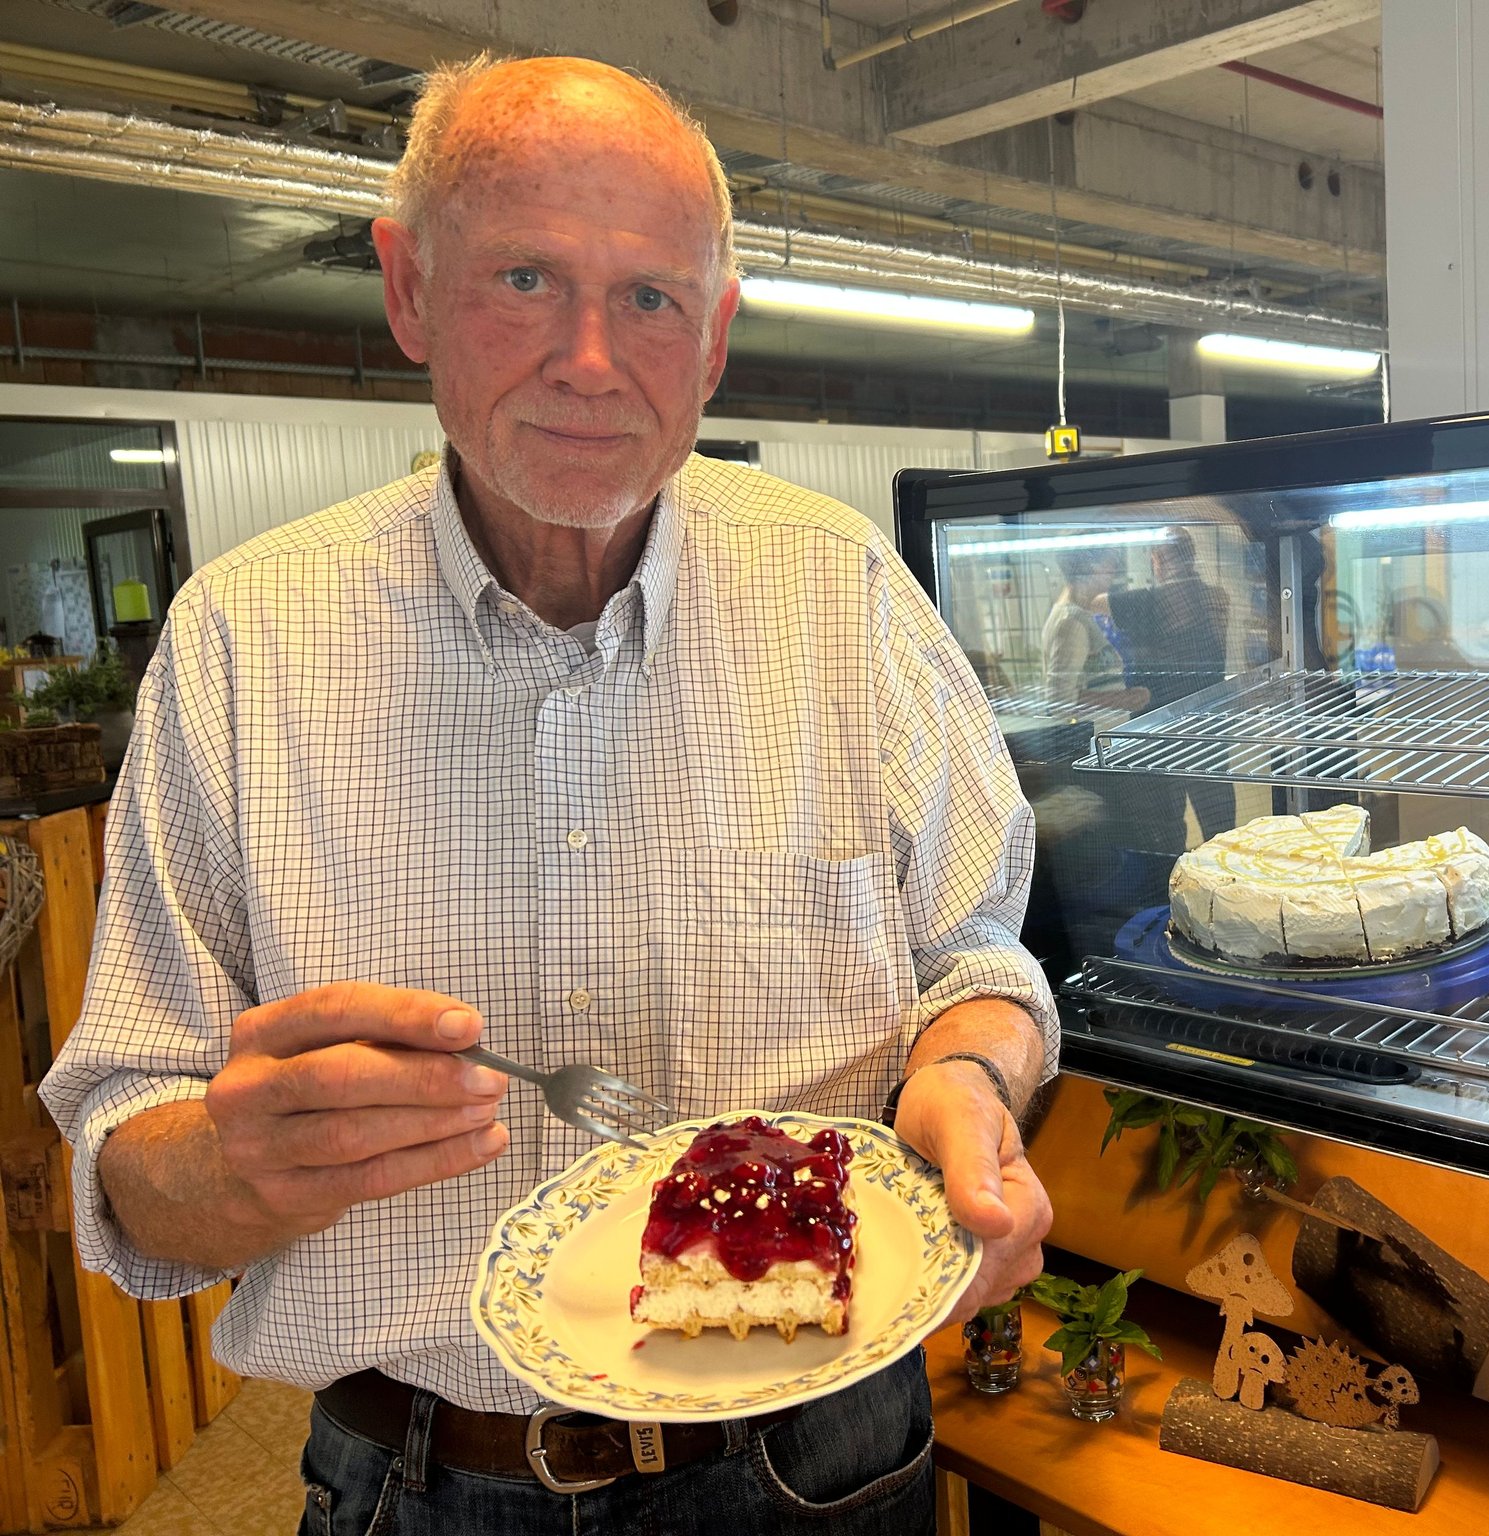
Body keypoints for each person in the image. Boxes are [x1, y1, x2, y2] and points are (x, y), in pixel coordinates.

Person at [39, 55, 1056, 1535]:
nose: (593, 357)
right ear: (407, 290)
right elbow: (129, 1165)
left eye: (650, 298)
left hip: (825, 1471)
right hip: (418, 1485)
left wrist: (967, 1079)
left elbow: (978, 960)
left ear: (714, 340)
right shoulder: (245, 643)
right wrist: (241, 1165)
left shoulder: (847, 596)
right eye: (524, 276)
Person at [1103, 526, 1233, 846]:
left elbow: (1089, 601)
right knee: (1219, 827)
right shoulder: (1217, 597)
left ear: (1157, 560)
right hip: (1207, 725)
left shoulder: (1144, 601)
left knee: (1167, 831)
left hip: (1157, 728)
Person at [1039, 545, 1147, 713]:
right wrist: (1124, 700)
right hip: (1091, 736)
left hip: (1102, 735)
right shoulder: (1072, 623)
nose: (1114, 569)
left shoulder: (1080, 615)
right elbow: (1058, 700)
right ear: (1091, 567)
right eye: (1110, 562)